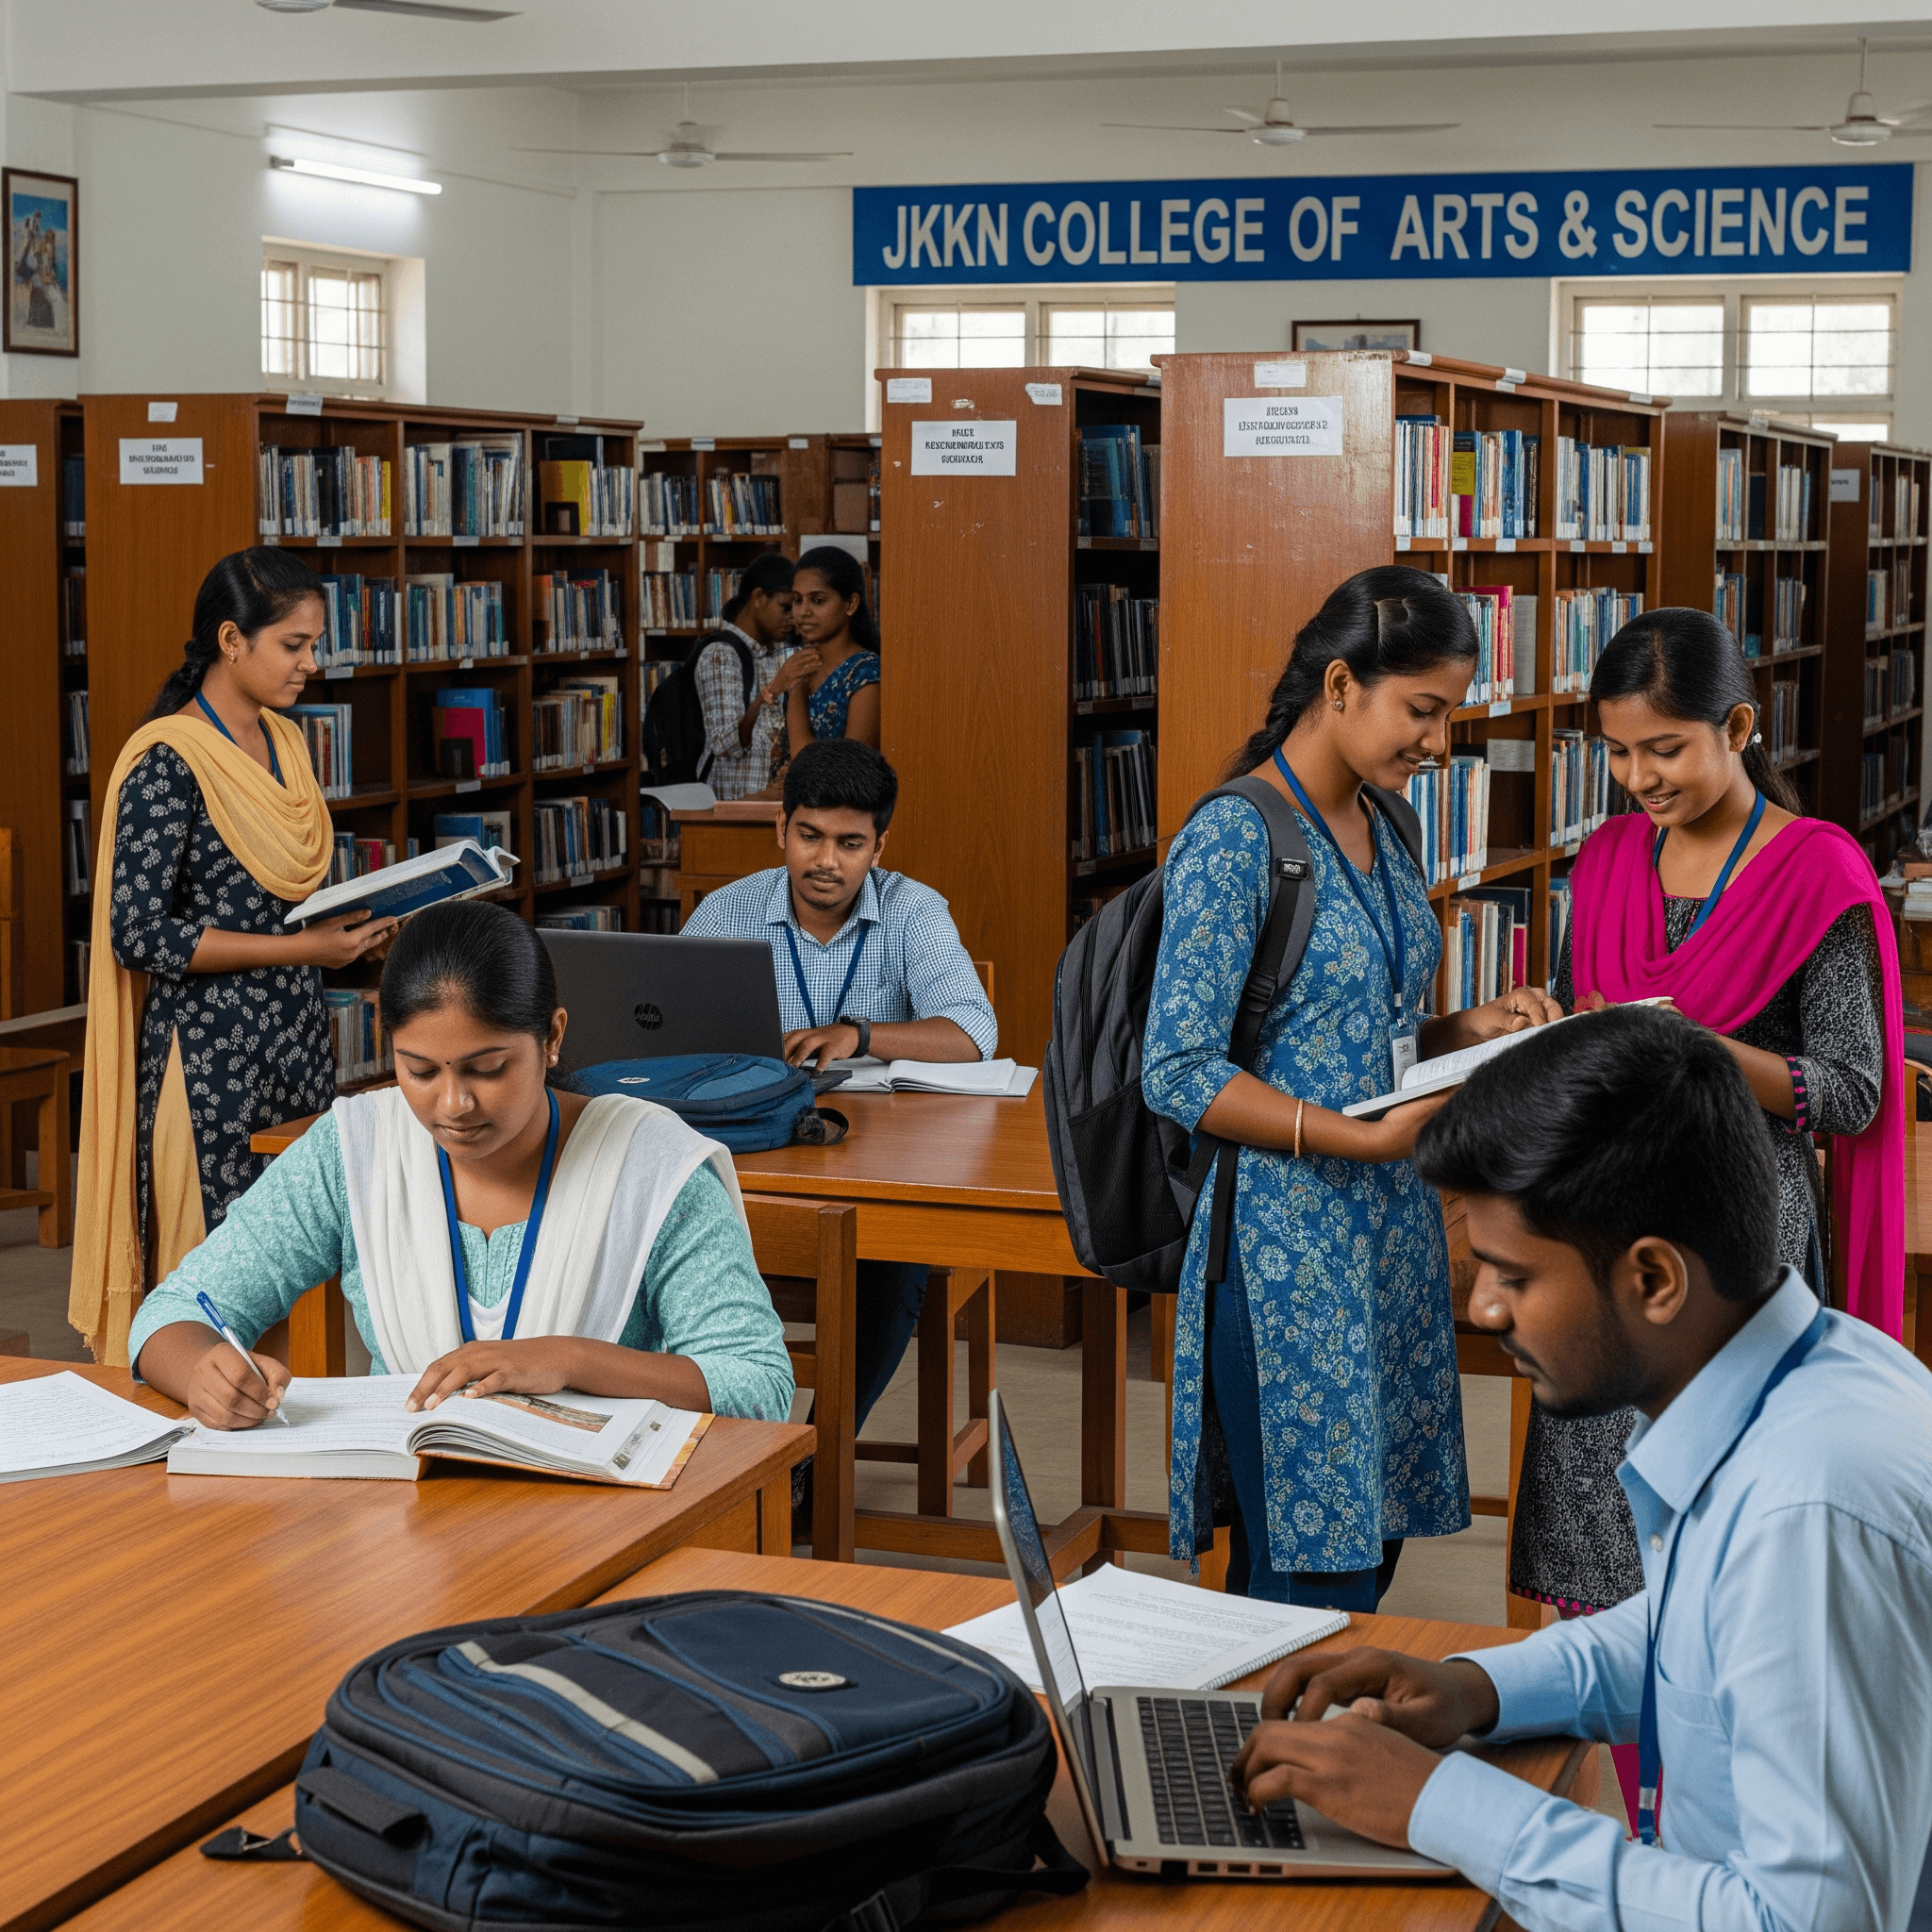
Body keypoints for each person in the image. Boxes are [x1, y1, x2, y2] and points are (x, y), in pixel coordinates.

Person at [1232, 1005, 1932, 1932]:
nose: (1480, 1306)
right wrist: (1477, 1687)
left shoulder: (1803, 1510)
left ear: (1652, 1279)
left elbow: (1803, 1922)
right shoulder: (1805, 1365)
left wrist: (1433, 1802)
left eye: (1512, 1274)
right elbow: (1704, 1636)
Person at [1509, 609, 1899, 1817]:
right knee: (1595, 1527)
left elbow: (1851, 1085)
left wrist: (1695, 1051)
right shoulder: (1608, 859)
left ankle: (1731, 1810)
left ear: (1737, 727)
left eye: (1664, 750)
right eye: (1617, 754)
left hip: (1737, 1240)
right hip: (1599, 1230)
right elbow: (1593, 1024)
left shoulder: (1817, 870)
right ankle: (1623, 1808)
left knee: (1722, 1525)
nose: (1637, 782)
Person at [1142, 566, 1561, 1609]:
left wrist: (1459, 1029)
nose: (1436, 741)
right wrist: (1359, 1139)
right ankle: (1266, 1769)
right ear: (1338, 687)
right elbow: (1178, 1066)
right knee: (1307, 1570)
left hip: (1391, 1239)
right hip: (1286, 1249)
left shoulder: (1388, 825)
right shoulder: (1233, 837)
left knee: (1370, 1549)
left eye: (1447, 713)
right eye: (1420, 710)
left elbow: (1349, 1025)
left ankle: (1287, 1762)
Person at [128, 900, 793, 1428]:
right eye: (419, 1071)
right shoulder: (356, 1149)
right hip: (404, 1513)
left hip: (599, 1515)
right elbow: (172, 1314)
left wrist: (568, 1359)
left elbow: (758, 1385)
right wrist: (205, 1375)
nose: (453, 1105)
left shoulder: (652, 1167)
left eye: (488, 1068)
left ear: (553, 1037)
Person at [70, 549, 396, 1367]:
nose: (312, 663)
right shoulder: (168, 761)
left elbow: (286, 896)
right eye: (293, 644)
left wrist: (351, 928)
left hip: (291, 1038)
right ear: (231, 640)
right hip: (205, 1052)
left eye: (315, 643)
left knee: (300, 1245)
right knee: (211, 1266)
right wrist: (301, 947)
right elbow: (138, 935)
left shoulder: (287, 744)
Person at [681, 738, 994, 1437]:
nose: (826, 861)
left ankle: (820, 1457)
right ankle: (706, 1443)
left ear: (879, 847)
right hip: (756, 1156)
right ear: (781, 830)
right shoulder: (726, 913)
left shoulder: (915, 910)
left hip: (879, 1163)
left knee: (893, 1259)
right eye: (810, 836)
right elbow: (675, 1037)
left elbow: (975, 1030)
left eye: (850, 843)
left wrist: (860, 1032)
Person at [691, 553, 813, 801]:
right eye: (786, 607)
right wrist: (774, 688)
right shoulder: (720, 655)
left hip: (771, 801)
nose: (793, 618)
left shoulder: (777, 652)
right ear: (758, 598)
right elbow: (726, 744)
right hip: (733, 806)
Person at [785, 545, 880, 751]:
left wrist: (796, 692)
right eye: (797, 600)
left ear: (851, 604)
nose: (802, 612)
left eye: (817, 600)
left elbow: (845, 770)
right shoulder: (799, 663)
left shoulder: (866, 674)